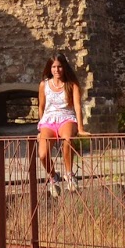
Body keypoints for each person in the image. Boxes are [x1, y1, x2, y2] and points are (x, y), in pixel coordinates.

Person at [36, 53, 85, 195]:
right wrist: (40, 127)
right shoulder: (44, 85)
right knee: (43, 154)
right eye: (54, 67)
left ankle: (69, 175)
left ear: (64, 68)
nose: (56, 70)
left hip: (66, 118)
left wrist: (80, 128)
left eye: (59, 67)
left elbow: (77, 106)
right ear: (50, 68)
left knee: (67, 140)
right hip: (48, 120)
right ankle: (53, 176)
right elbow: (41, 106)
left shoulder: (72, 85)